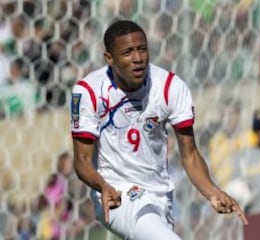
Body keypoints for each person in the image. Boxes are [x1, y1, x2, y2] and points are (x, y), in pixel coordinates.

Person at [70, 20, 248, 240]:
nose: (137, 58)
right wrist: (103, 186)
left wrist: (212, 191)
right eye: (127, 52)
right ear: (110, 58)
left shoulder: (170, 87)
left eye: (142, 49)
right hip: (116, 193)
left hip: (159, 194)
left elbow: (190, 154)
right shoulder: (88, 91)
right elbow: (82, 160)